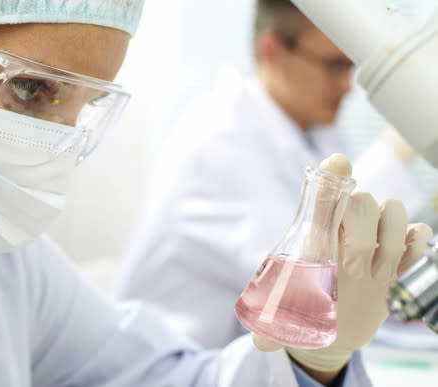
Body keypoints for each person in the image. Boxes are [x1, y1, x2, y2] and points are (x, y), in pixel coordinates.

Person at [0, 1, 431, 386]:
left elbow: (173, 379)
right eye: (29, 88)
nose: (51, 145)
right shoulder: (222, 138)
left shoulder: (5, 264)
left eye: (83, 108)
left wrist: (310, 361)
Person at [115, 0, 423, 350]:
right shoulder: (220, 139)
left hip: (244, 358)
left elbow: (350, 228)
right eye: (334, 65)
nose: (347, 85)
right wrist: (399, 145)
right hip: (172, 364)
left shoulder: (316, 133)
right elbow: (308, 273)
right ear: (272, 50)